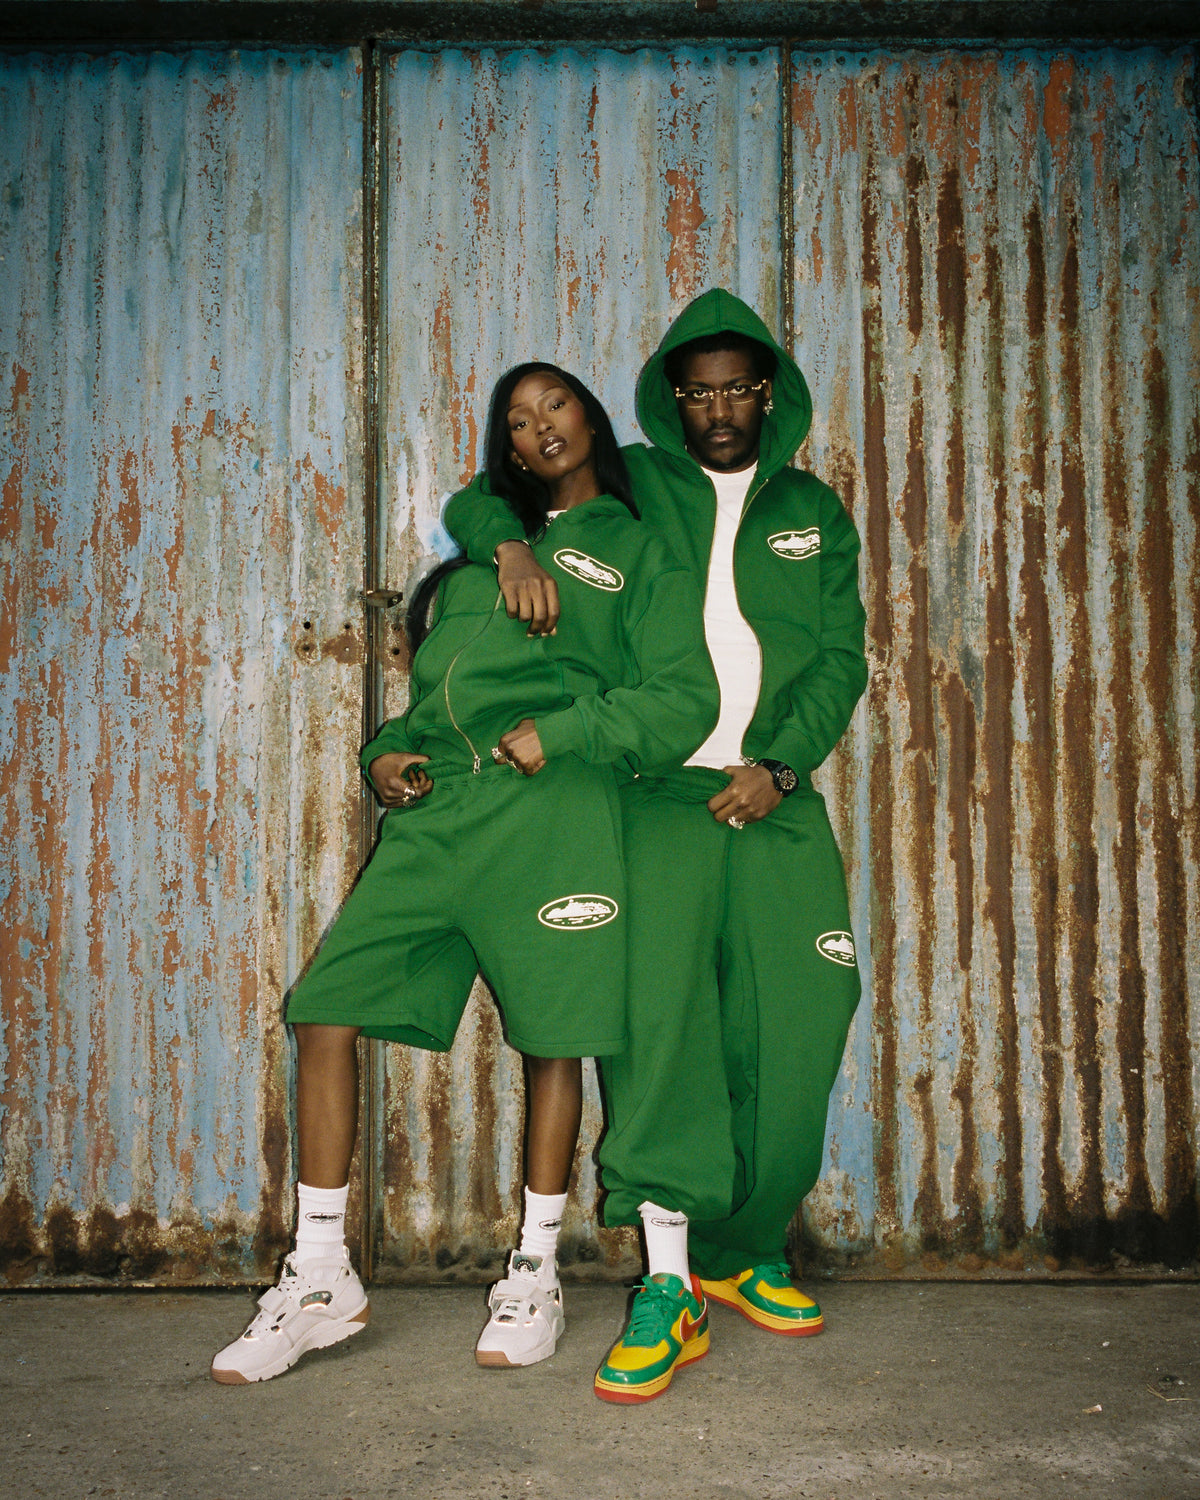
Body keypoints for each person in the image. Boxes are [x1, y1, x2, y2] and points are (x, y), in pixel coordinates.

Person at [210, 363, 717, 1384]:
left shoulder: (641, 550)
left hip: (552, 811)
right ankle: (322, 1274)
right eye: (518, 420)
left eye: (556, 405)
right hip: (440, 817)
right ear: (507, 448)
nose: (540, 427)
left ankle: (535, 1270)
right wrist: (385, 756)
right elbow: (434, 692)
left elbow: (684, 700)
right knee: (325, 1010)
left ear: (592, 418)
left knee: (555, 1039)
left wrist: (566, 732)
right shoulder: (486, 546)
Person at [444, 289, 867, 1403]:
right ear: (670, 399)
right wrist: (509, 553)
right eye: (698, 392)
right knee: (662, 1030)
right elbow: (484, 495)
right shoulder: (635, 481)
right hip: (655, 794)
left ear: (769, 394)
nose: (719, 409)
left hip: (773, 793)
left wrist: (782, 767)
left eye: (738, 389)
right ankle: (670, 1283)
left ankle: (745, 1249)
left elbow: (841, 658)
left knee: (805, 1012)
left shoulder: (814, 509)